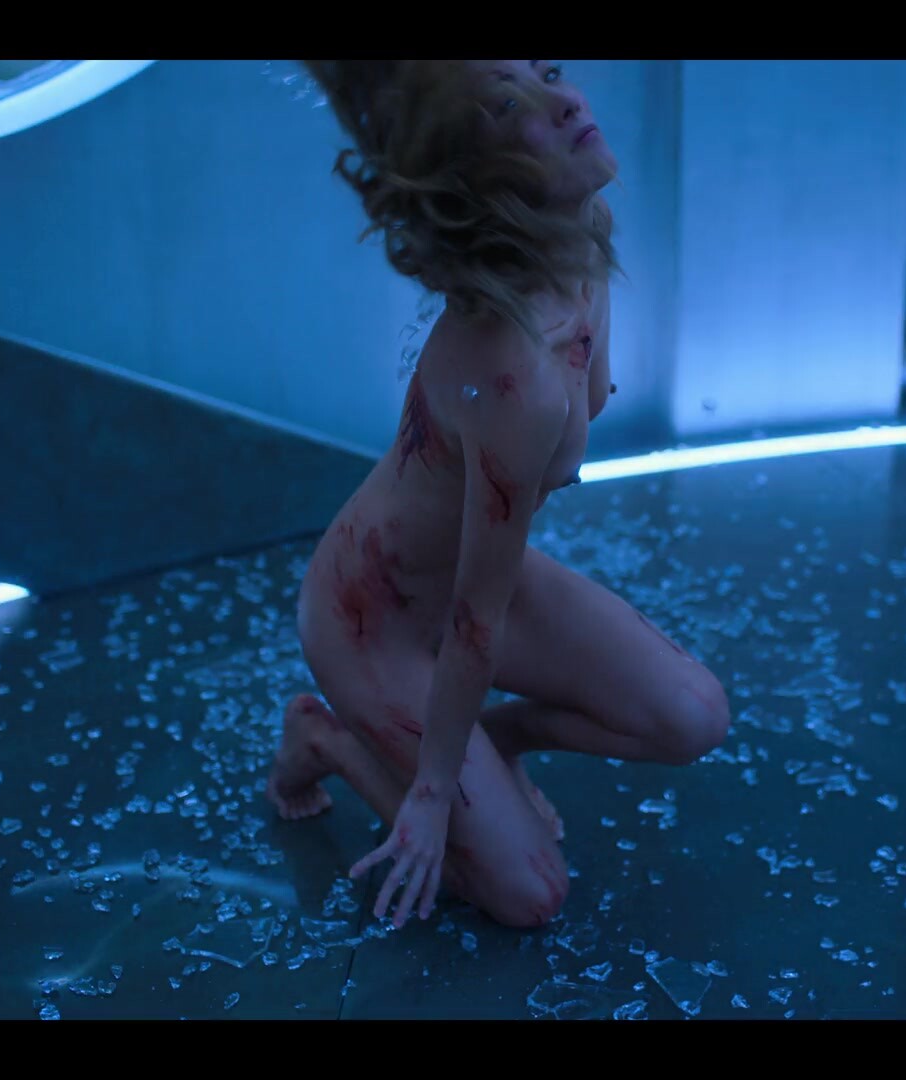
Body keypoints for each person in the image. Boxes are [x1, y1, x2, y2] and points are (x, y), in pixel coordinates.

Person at [266, 60, 730, 930]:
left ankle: (497, 743)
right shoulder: (513, 375)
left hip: (466, 586)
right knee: (530, 895)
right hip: (374, 619)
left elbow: (589, 393)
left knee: (695, 717)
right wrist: (430, 795)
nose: (568, 99)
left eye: (550, 71)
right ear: (479, 175)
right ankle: (324, 737)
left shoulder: (586, 230)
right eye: (514, 105)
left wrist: (481, 748)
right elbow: (474, 621)